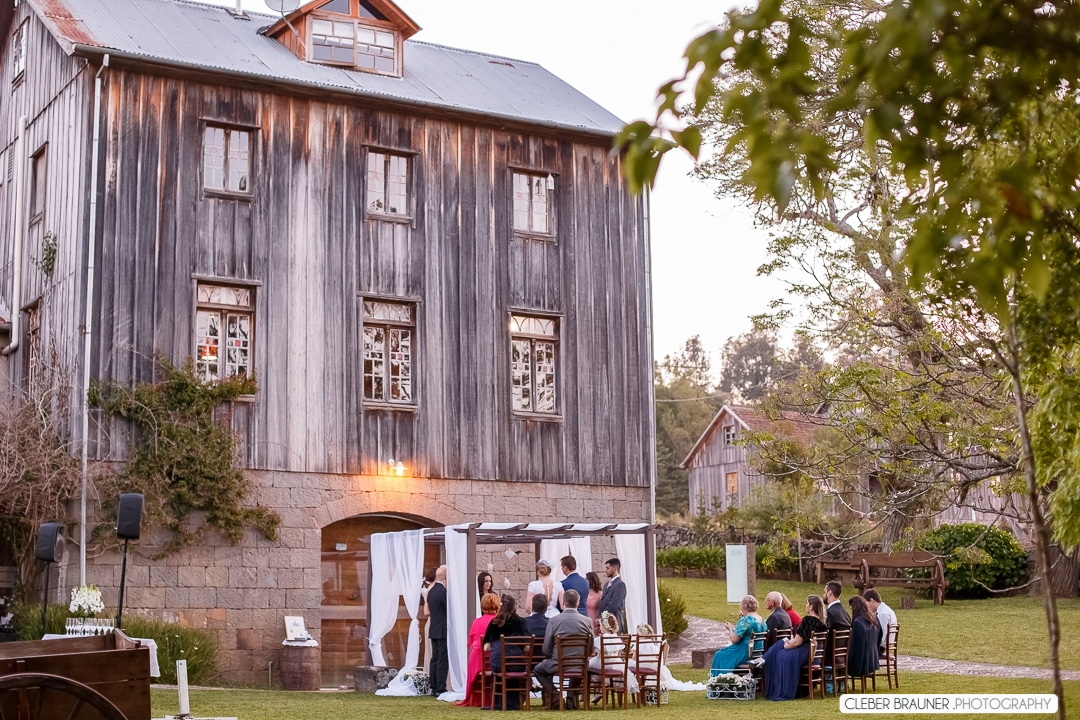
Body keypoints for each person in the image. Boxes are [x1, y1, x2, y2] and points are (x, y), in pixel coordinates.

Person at [759, 595, 829, 700]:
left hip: (804, 652)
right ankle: (763, 660)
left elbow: (797, 642)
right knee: (780, 646)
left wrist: (787, 645)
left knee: (781, 651)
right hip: (814, 654)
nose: (805, 606)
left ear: (811, 607)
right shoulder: (822, 622)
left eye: (807, 604)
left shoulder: (808, 620)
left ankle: (762, 660)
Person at [533, 589, 594, 710]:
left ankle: (555, 698)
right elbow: (590, 649)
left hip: (558, 663)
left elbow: (546, 649)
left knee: (538, 670)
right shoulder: (587, 621)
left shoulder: (554, 621)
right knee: (578, 667)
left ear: (563, 603)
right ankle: (570, 698)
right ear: (578, 603)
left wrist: (551, 656)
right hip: (580, 665)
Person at [483, 594, 531, 709]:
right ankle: (515, 702)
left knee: (498, 669)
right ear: (515, 608)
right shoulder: (521, 622)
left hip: (498, 665)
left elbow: (486, 647)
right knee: (521, 669)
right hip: (516, 665)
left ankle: (498, 701)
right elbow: (528, 647)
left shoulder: (494, 622)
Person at [453, 593, 501, 707]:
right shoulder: (501, 622)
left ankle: (477, 698)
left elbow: (472, 643)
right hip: (497, 659)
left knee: (473, 658)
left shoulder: (477, 622)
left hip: (479, 660)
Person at [710, 595, 767, 673]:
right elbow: (749, 629)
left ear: (743, 607)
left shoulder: (746, 620)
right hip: (757, 653)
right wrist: (741, 620)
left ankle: (720, 681)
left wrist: (730, 628)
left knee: (719, 655)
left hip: (745, 653)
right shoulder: (762, 620)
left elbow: (734, 639)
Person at [590, 611, 638, 694]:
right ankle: (599, 692)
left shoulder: (600, 639)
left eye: (600, 625)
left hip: (602, 663)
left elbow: (598, 653)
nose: (600, 627)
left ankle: (597, 691)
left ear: (604, 626)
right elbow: (619, 655)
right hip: (615, 664)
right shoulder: (617, 639)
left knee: (589, 667)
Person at [847, 595, 881, 680]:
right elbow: (879, 638)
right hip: (872, 660)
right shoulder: (874, 620)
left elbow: (857, 646)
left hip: (862, 662)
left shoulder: (858, 622)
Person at [427, 565, 449, 696]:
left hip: (434, 627)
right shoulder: (443, 592)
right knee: (442, 658)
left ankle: (434, 686)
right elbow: (448, 610)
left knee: (434, 657)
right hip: (442, 629)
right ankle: (440, 687)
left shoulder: (432, 591)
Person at [598, 558, 627, 630]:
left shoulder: (620, 584)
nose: (606, 570)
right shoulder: (606, 584)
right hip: (605, 624)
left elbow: (614, 604)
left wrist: (603, 617)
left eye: (608, 568)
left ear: (615, 569)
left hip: (614, 622)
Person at [420, 567, 437, 675]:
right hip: (432, 622)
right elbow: (426, 611)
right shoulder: (430, 591)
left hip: (432, 622)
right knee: (431, 650)